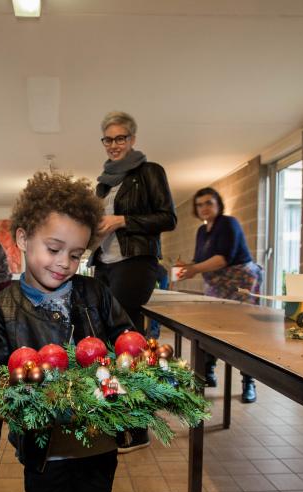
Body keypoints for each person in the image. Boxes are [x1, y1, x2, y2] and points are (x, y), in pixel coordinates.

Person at [0, 172, 133, 492]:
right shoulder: (1, 310)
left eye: (75, 253)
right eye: (53, 249)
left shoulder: (95, 293)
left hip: (99, 448)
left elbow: (126, 344)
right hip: (46, 455)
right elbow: (1, 383)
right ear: (23, 238)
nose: (64, 263)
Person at [90, 111, 177, 452]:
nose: (114, 145)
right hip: (105, 264)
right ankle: (116, 416)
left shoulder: (149, 172)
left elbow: (167, 217)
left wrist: (121, 220)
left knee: (126, 339)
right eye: (108, 139)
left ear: (133, 139)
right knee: (105, 341)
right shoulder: (102, 183)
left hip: (135, 262)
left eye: (120, 138)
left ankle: (138, 426)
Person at [177, 187, 263, 403]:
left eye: (209, 203)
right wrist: (187, 267)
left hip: (241, 283)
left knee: (243, 334)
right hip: (216, 284)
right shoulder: (201, 231)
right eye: (200, 204)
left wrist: (195, 269)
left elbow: (223, 258)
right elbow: (200, 261)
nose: (204, 208)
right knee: (212, 327)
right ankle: (209, 372)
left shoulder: (228, 223)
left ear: (218, 204)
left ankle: (248, 383)